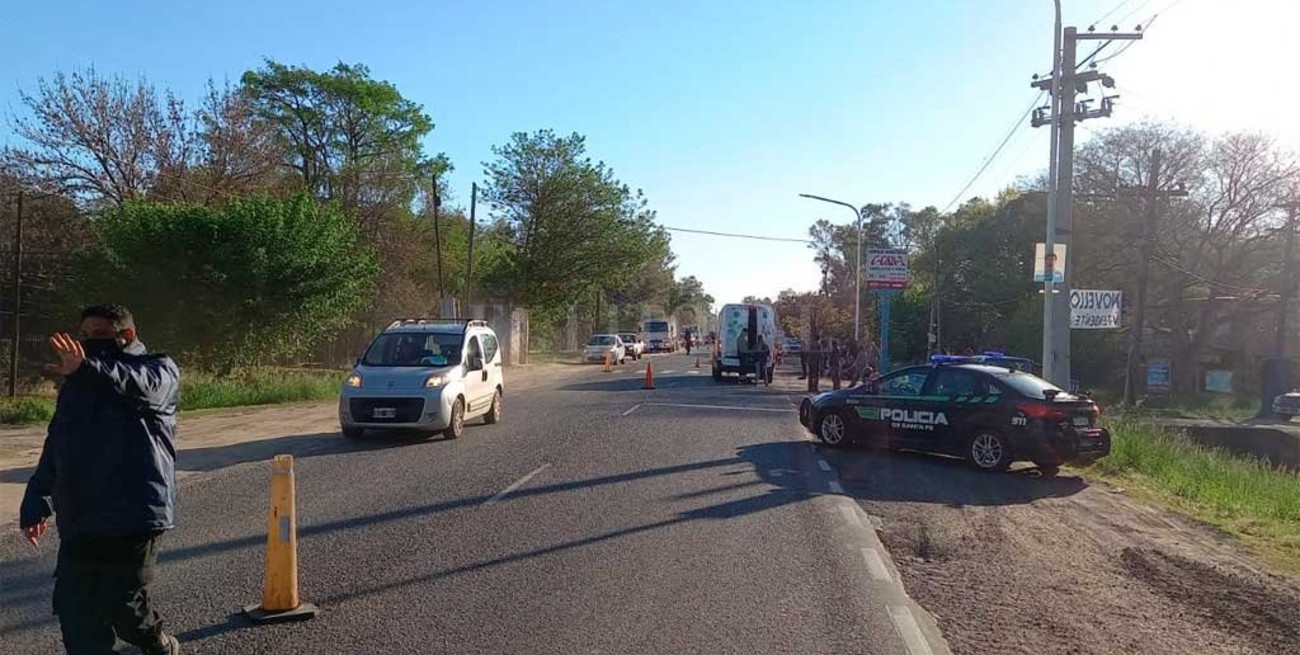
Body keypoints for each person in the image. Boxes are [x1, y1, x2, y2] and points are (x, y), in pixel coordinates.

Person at [20, 304, 182, 655]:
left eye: (100, 336)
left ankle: (158, 644)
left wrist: (85, 369)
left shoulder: (157, 369)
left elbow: (137, 387)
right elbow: (59, 440)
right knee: (76, 613)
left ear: (127, 336)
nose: (89, 343)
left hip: (135, 511)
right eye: (84, 336)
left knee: (122, 607)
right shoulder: (79, 382)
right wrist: (36, 498)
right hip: (81, 513)